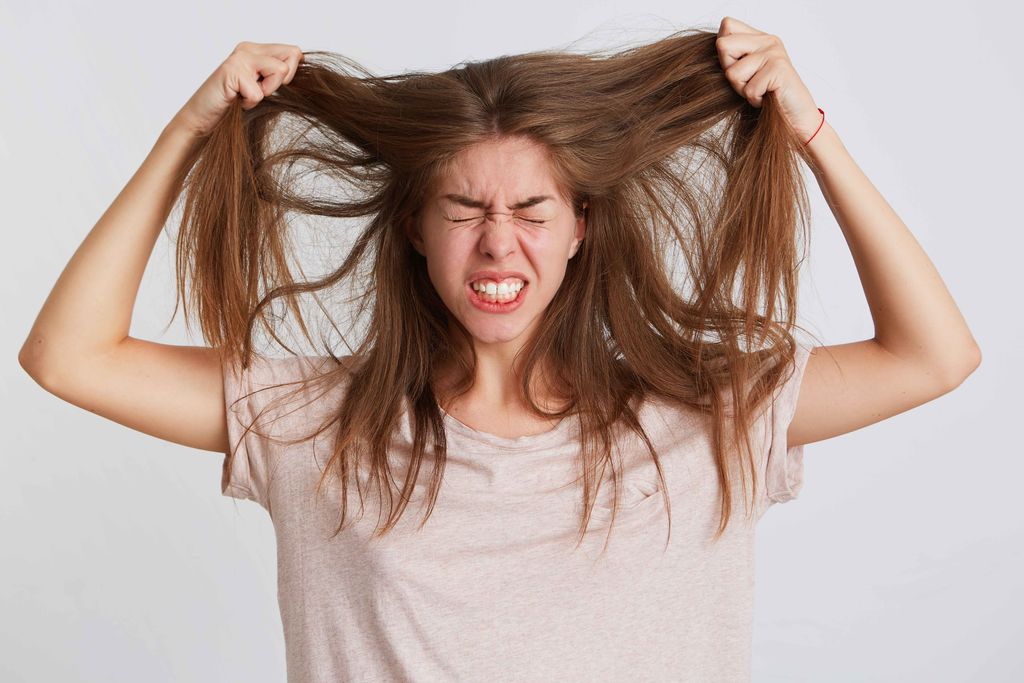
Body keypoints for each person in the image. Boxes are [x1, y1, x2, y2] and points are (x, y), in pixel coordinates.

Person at [18, 16, 980, 682]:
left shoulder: (705, 415)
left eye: (530, 210)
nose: (497, 244)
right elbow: (69, 355)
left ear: (580, 227)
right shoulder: (315, 425)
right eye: (464, 209)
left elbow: (934, 354)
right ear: (414, 227)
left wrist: (809, 131)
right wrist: (192, 130)